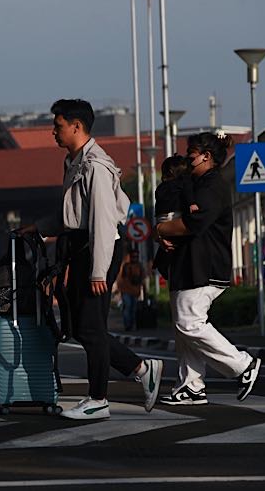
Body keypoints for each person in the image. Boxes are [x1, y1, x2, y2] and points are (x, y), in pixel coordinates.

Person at [22, 99, 163, 420]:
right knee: (78, 326)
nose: (53, 132)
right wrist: (39, 227)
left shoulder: (95, 166)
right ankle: (141, 369)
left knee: (91, 327)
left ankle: (99, 398)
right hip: (78, 247)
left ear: (76, 126)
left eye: (58, 126)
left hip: (97, 249)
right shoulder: (74, 162)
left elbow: (102, 221)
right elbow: (72, 214)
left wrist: (99, 271)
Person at [155, 132, 261, 406]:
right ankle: (191, 386)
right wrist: (162, 232)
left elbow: (194, 223)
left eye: (191, 154)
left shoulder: (212, 185)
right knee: (183, 328)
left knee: (189, 322)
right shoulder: (196, 182)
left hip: (205, 266)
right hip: (187, 265)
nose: (187, 158)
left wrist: (161, 229)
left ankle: (242, 365)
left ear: (206, 156)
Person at [153, 155, 196, 280]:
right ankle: (164, 265)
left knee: (167, 245)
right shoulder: (184, 182)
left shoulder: (161, 187)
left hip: (161, 219)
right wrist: (191, 203)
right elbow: (188, 193)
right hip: (175, 218)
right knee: (176, 243)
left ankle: (162, 265)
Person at [116, 249, 144, 331]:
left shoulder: (139, 266)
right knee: (127, 307)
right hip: (126, 290)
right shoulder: (126, 266)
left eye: (136, 256)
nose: (135, 258)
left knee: (133, 308)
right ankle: (127, 325)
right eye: (133, 256)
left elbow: (142, 279)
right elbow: (121, 277)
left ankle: (132, 324)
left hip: (135, 291)